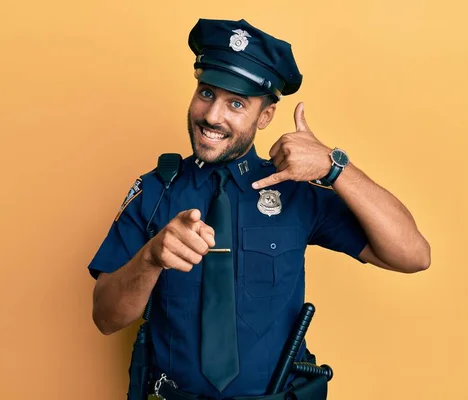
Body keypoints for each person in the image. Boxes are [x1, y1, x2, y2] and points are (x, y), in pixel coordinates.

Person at [87, 18, 431, 400]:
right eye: (206, 93)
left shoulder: (296, 192)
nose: (213, 116)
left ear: (265, 117)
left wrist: (336, 167)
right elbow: (105, 317)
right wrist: (151, 257)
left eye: (236, 103)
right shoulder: (155, 190)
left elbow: (413, 255)